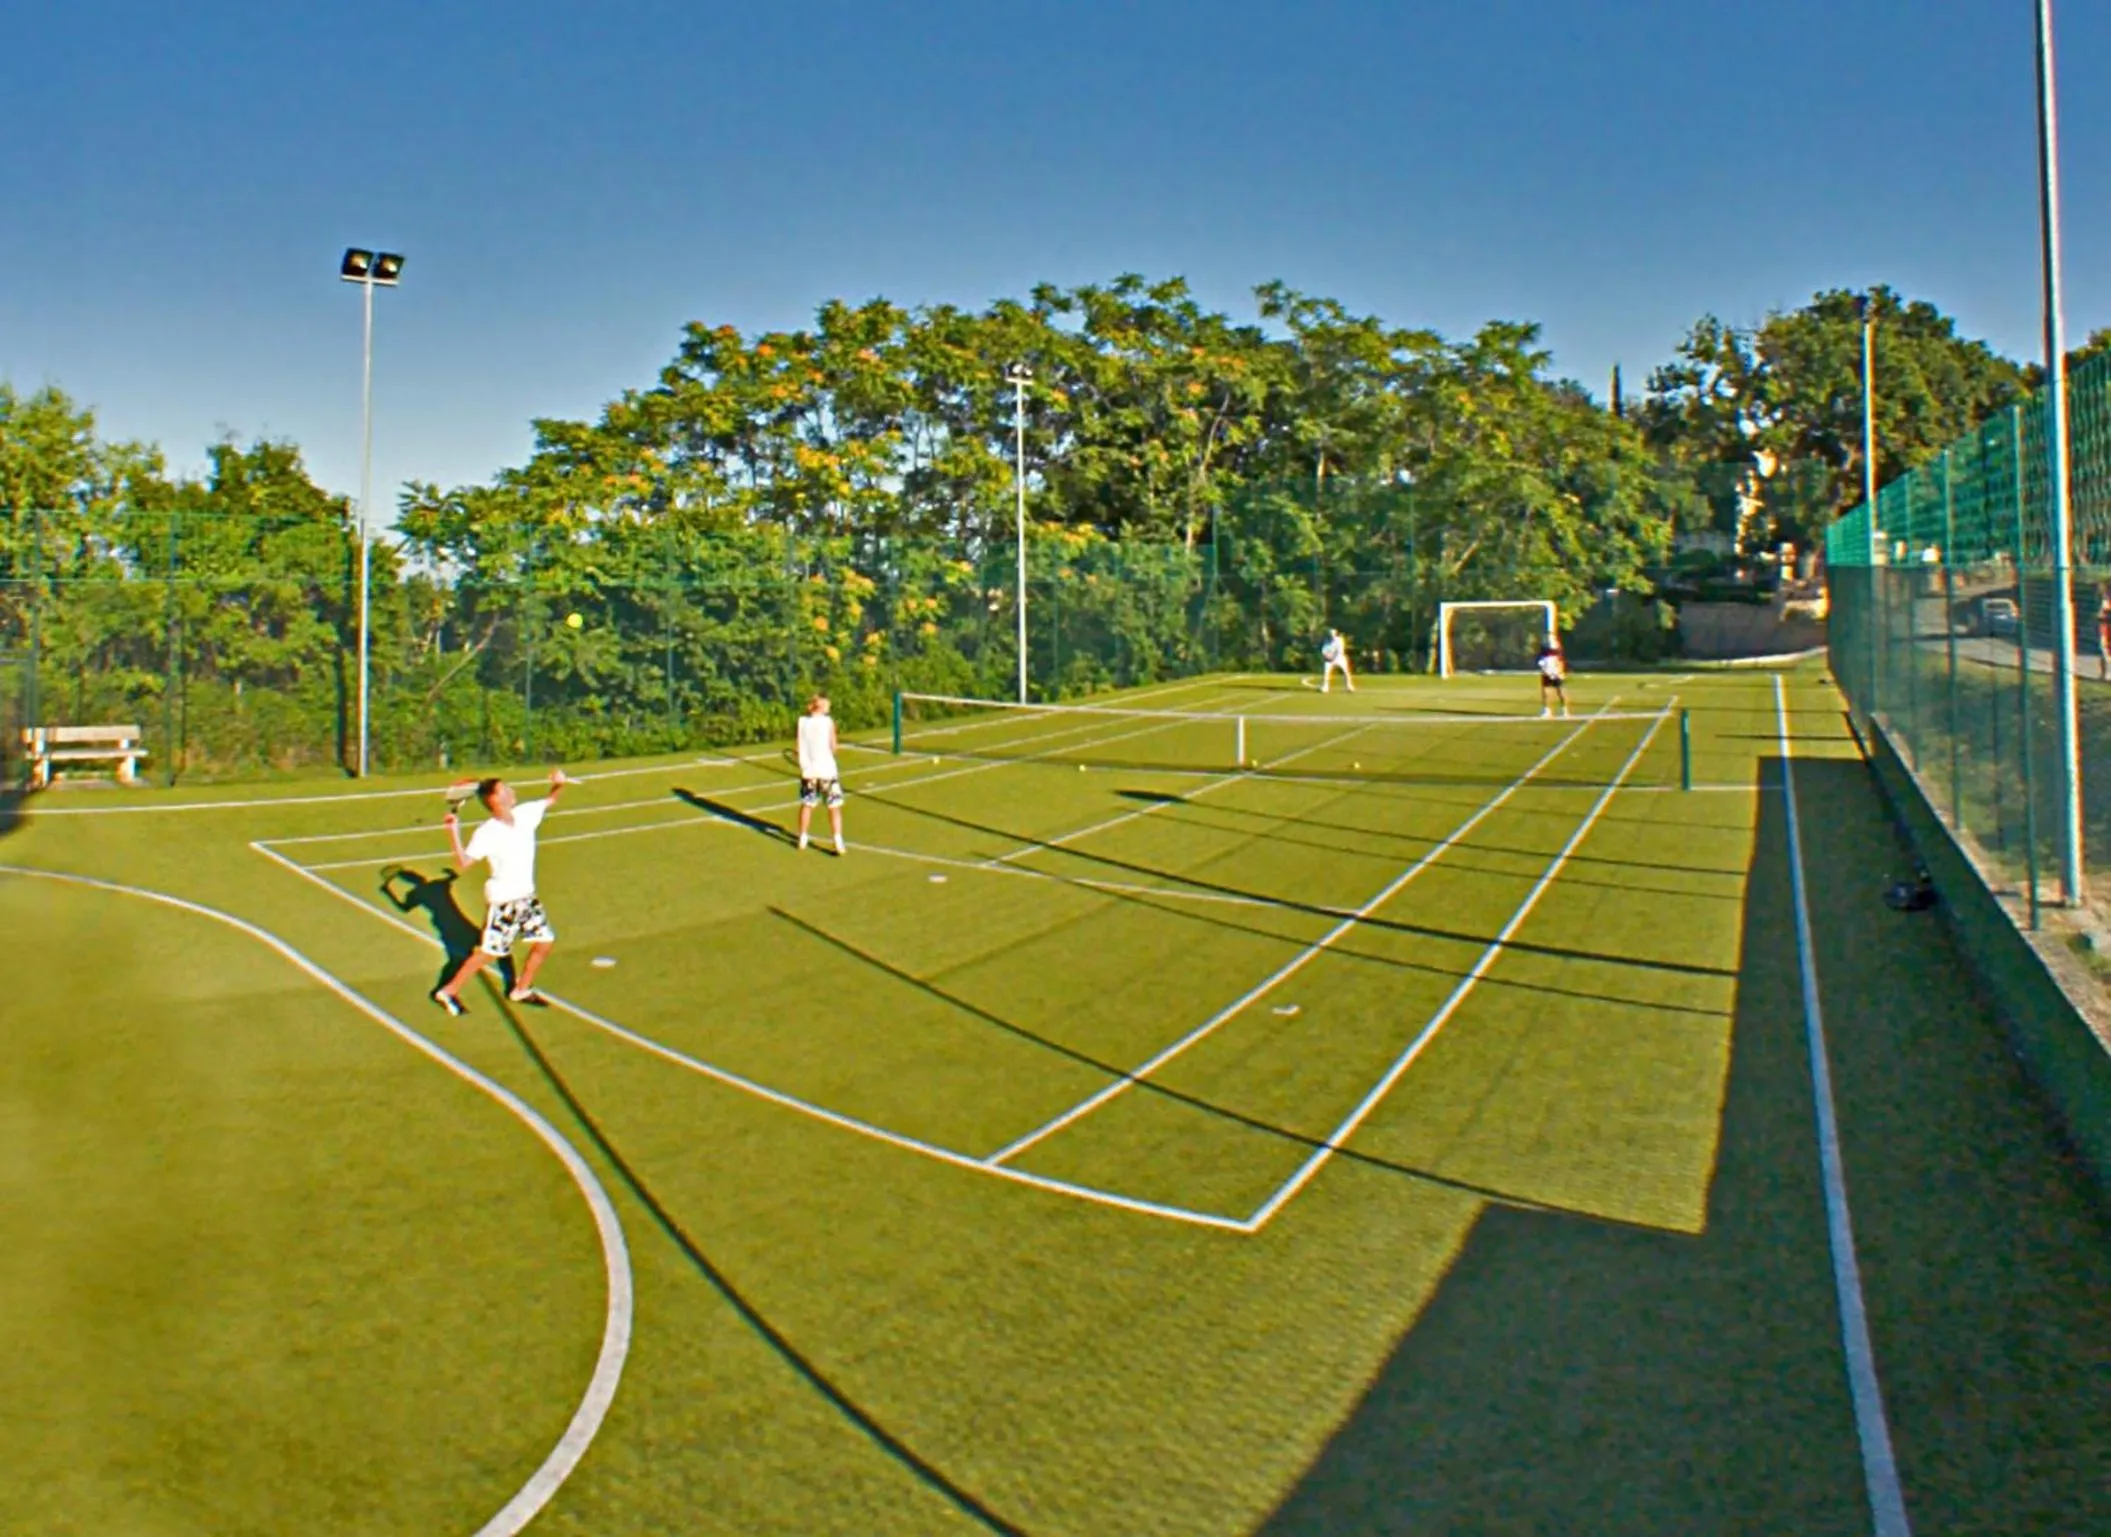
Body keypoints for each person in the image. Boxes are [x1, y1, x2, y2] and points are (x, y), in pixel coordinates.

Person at [431, 767, 572, 1015]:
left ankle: (521, 990)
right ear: (495, 799)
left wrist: (559, 783)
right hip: (505, 902)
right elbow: (464, 862)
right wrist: (453, 833)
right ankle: (447, 992)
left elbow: (551, 800)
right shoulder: (487, 832)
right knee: (487, 953)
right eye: (506, 789)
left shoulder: (526, 814)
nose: (512, 791)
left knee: (544, 942)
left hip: (527, 897)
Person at [796, 694, 847, 855]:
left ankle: (802, 837)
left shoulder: (802, 722)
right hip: (827, 771)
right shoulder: (827, 722)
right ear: (821, 705)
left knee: (807, 805)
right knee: (834, 807)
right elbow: (833, 746)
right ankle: (837, 840)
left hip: (809, 771)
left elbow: (798, 747)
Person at [1536, 638, 1570, 718]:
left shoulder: (1554, 646)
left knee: (1560, 692)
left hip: (1555, 673)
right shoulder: (1544, 655)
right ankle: (1548, 711)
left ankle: (1565, 710)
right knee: (1546, 692)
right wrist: (1546, 672)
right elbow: (1542, 664)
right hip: (1547, 672)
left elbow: (1560, 661)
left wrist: (1560, 672)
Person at [1320, 628, 1355, 694]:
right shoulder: (1326, 641)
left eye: (1332, 634)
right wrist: (1326, 656)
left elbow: (1340, 651)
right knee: (1326, 673)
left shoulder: (1340, 640)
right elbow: (1324, 650)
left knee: (1346, 672)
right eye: (1330, 635)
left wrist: (1332, 657)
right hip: (1329, 659)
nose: (1331, 636)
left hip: (1339, 658)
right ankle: (1325, 687)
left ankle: (1349, 686)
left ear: (1335, 634)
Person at [2096, 582, 2110, 681]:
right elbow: (2101, 613)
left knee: (2104, 649)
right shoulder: (2105, 599)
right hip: (2105, 628)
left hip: (2106, 627)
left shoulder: (2105, 599)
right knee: (2103, 649)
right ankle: (2104, 674)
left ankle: (2105, 674)